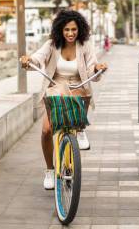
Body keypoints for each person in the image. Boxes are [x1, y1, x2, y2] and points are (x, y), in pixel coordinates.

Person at [20, 10, 108, 190]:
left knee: (81, 98)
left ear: (79, 29)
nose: (70, 33)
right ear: (60, 29)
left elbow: (92, 68)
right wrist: (29, 60)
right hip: (55, 86)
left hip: (78, 86)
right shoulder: (52, 45)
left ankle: (81, 127)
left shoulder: (85, 46)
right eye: (66, 29)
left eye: (74, 29)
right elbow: (38, 58)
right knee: (46, 131)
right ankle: (50, 170)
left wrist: (98, 67)